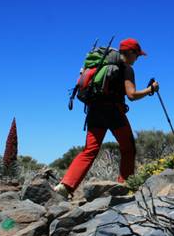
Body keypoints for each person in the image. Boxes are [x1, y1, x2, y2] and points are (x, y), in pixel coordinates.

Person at [54, 38, 159, 197]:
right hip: (113, 112)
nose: (137, 59)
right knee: (128, 148)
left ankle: (66, 185)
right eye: (137, 55)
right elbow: (131, 95)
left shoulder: (99, 65)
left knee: (90, 150)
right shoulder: (126, 68)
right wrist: (150, 89)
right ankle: (125, 186)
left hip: (94, 111)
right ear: (130, 53)